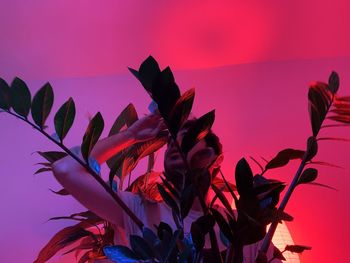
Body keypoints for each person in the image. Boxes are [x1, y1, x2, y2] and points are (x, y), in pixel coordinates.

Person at [52, 113, 279, 262]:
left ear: (215, 159)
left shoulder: (244, 225)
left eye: (187, 140)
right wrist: (130, 136)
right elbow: (66, 170)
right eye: (171, 142)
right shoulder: (137, 209)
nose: (174, 146)